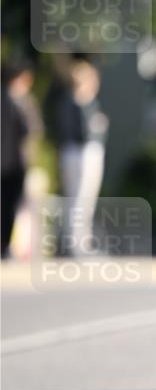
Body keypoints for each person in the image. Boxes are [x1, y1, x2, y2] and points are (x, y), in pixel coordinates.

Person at [50, 59, 108, 256]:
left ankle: (77, 243)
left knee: (78, 199)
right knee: (81, 199)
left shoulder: (72, 101)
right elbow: (85, 132)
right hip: (83, 153)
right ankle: (78, 245)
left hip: (74, 152)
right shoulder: (79, 102)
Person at [1, 61, 42, 258]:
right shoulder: (12, 101)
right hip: (9, 161)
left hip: (16, 162)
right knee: (7, 204)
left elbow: (34, 130)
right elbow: (30, 130)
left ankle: (7, 244)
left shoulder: (24, 101)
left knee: (12, 204)